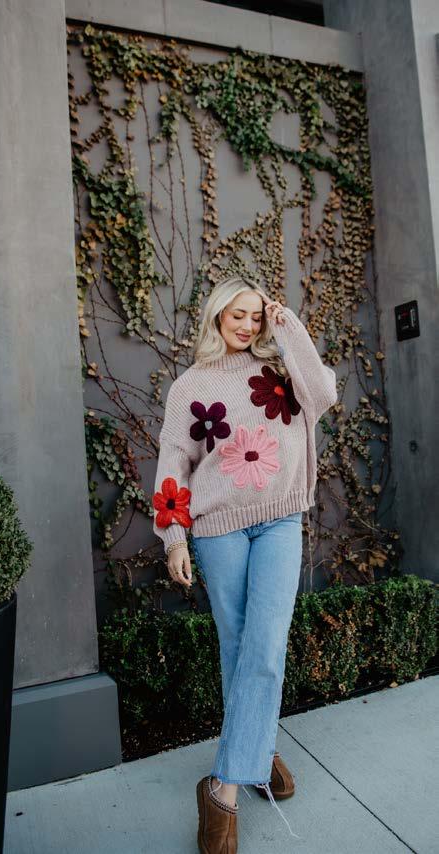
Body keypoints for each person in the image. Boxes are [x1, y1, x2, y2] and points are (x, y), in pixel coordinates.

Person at [152, 276, 338, 853]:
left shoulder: (280, 369)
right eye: (239, 315)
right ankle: (261, 751)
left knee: (266, 643)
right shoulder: (191, 386)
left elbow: (324, 392)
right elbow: (174, 459)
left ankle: (224, 789)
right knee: (238, 644)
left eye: (257, 316)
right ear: (217, 316)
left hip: (280, 518)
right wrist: (174, 538)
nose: (248, 325)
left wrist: (290, 329)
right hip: (219, 529)